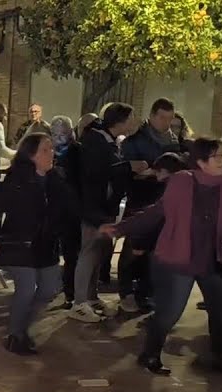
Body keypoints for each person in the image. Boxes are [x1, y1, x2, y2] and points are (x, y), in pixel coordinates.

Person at [99, 137, 222, 375]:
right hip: (181, 257)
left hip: (216, 259)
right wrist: (121, 228)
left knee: (219, 311)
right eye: (218, 156)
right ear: (201, 161)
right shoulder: (182, 182)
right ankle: (150, 355)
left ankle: (221, 355)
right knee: (170, 312)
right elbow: (157, 212)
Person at [0, 134, 73, 354]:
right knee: (26, 288)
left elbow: (67, 209)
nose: (51, 153)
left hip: (46, 244)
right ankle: (15, 335)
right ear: (31, 155)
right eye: (45, 150)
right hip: (19, 243)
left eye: (51, 149)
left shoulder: (56, 180)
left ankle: (23, 327)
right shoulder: (17, 180)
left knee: (49, 288)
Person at [71, 102, 136, 323]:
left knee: (99, 252)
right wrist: (128, 167)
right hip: (93, 208)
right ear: (121, 120)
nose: (133, 122)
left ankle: (91, 297)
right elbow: (96, 175)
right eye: (131, 118)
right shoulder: (96, 141)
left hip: (104, 207)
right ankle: (79, 302)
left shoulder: (107, 140)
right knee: (89, 252)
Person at [117, 98, 182, 313]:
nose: (166, 123)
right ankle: (126, 292)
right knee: (132, 248)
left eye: (169, 118)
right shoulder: (135, 141)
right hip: (140, 199)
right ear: (152, 116)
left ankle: (145, 292)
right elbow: (128, 170)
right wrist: (151, 172)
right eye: (162, 117)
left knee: (155, 250)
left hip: (164, 201)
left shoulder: (174, 141)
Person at [50, 115, 83, 308]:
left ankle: (69, 292)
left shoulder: (76, 151)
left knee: (71, 253)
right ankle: (53, 285)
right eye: (55, 132)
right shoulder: (49, 150)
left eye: (62, 131)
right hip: (52, 208)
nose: (59, 136)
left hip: (71, 210)